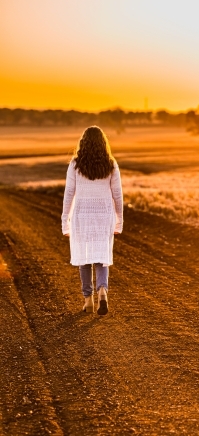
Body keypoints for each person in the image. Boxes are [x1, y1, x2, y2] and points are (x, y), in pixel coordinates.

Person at [61, 126, 123, 315]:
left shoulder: (75, 163)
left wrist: (65, 219)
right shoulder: (111, 163)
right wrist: (119, 219)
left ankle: (88, 300)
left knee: (84, 257)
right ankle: (102, 292)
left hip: (82, 215)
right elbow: (117, 195)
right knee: (101, 257)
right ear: (103, 143)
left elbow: (69, 193)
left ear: (83, 143)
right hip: (103, 215)